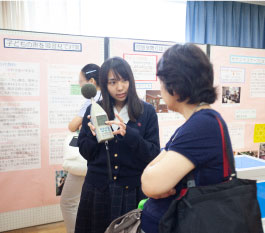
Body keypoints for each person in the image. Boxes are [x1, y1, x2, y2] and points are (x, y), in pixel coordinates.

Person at [140, 43, 234, 233]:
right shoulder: (198, 122)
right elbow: (152, 178)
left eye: (162, 82)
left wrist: (154, 178)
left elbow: (151, 184)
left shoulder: (202, 125)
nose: (161, 89)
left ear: (174, 86)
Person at [75, 57, 160, 233]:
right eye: (113, 82)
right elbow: (85, 152)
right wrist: (92, 136)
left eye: (124, 80)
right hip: (98, 189)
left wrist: (130, 135)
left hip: (132, 190)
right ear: (104, 84)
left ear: (131, 81)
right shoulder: (94, 110)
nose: (120, 87)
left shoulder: (147, 112)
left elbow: (152, 153)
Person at [60, 64, 101, 233]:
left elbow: (72, 126)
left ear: (91, 81)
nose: (80, 85)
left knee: (68, 202)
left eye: (81, 81)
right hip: (100, 160)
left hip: (85, 158)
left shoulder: (91, 100)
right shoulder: (107, 98)